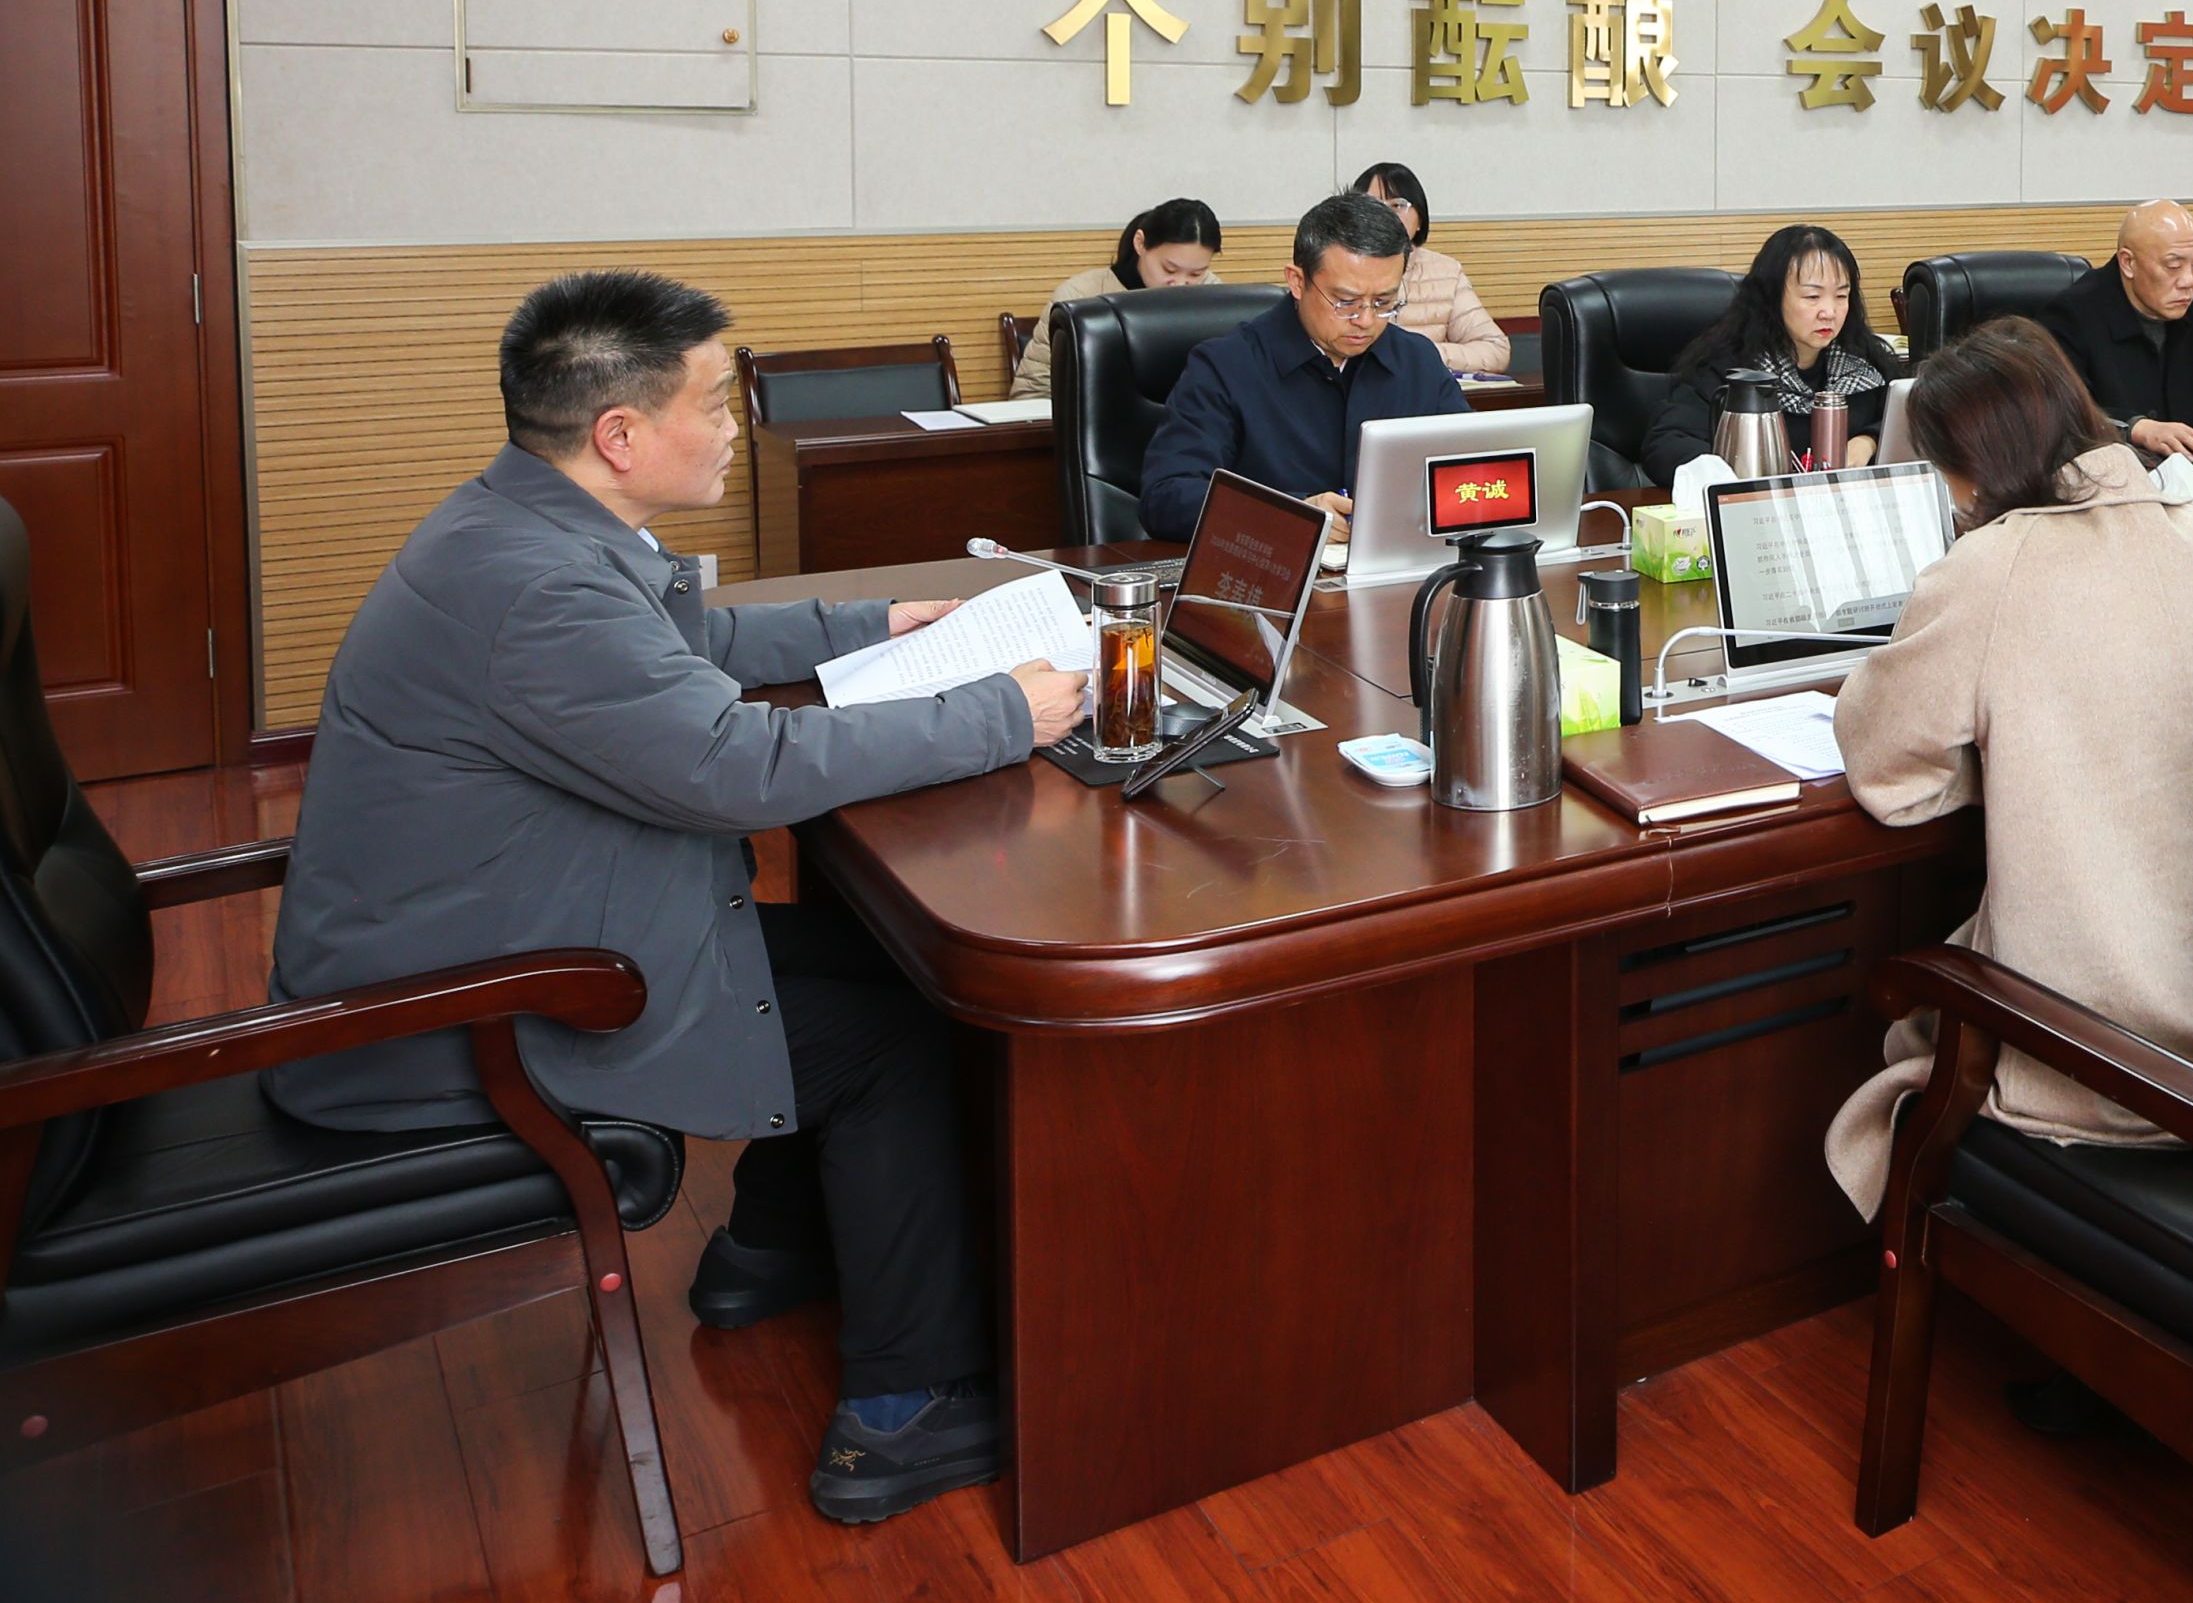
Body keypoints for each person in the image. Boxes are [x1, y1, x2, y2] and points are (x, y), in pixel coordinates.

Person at [267, 272, 1089, 1525]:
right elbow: (730, 769)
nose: (731, 424)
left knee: (874, 959)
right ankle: (903, 1410)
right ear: (619, 434)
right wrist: (998, 713)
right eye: (711, 402)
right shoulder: (540, 588)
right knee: (889, 1038)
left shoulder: (520, 525)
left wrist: (876, 622)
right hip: (462, 1017)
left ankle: (771, 1253)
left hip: (498, 936)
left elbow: (676, 646)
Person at [1822, 318, 2193, 1219]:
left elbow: (1890, 779)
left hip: (2107, 1063)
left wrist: (2011, 752)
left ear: (1968, 469)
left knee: (1917, 1002)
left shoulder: (1992, 565)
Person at [1137, 192, 1466, 538]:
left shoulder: (1416, 361)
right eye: (1346, 302)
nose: (1366, 320)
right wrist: (1294, 515)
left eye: (1383, 302)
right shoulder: (1226, 367)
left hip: (1399, 562)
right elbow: (1167, 498)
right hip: (1272, 564)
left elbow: (1474, 466)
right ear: (1297, 281)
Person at [1644, 222, 1905, 479]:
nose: (1829, 312)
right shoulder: (1730, 369)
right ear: (1772, 297)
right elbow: (1667, 444)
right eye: (1812, 297)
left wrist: (1869, 439)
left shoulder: (1863, 366)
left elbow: (1909, 421)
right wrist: (1727, 475)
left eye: (1841, 296)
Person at [2041, 198, 2193, 457]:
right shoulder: (2073, 315)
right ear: (2128, 263)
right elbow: (2064, 415)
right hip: (2122, 469)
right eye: (2173, 266)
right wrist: (2137, 428)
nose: (2188, 281)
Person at [1009, 196, 1218, 397]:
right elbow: (1032, 392)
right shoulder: (1080, 296)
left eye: (1196, 274)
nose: (1180, 284)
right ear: (1140, 243)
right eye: (1169, 269)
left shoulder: (1214, 297)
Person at [1353, 162, 1514, 378]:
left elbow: (1495, 349)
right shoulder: (1341, 270)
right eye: (1374, 206)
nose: (1385, 215)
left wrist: (1420, 354)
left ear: (1420, 218)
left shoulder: (1446, 272)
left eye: (1397, 205)